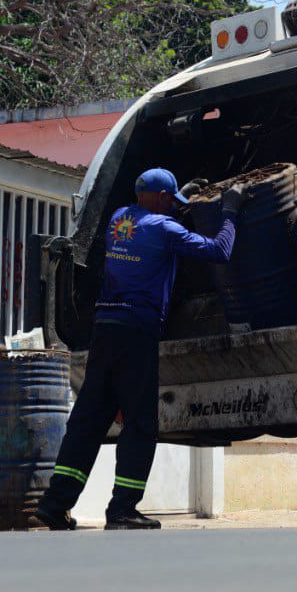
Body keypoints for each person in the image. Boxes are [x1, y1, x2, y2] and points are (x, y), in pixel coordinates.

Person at [34, 168, 243, 531]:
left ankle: (54, 504)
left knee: (87, 422)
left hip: (105, 330)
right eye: (170, 199)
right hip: (137, 332)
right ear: (162, 199)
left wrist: (177, 205)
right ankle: (122, 509)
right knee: (140, 423)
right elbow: (218, 251)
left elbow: (151, 226)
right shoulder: (164, 229)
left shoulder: (119, 219)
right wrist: (230, 212)